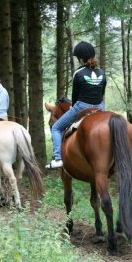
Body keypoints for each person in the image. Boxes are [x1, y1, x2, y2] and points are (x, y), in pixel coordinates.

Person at [45, 41, 107, 169]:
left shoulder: (78, 73)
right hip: (100, 107)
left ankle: (57, 158)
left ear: (80, 59)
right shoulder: (101, 72)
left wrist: (73, 106)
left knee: (56, 127)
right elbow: (102, 92)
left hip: (82, 106)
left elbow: (75, 95)